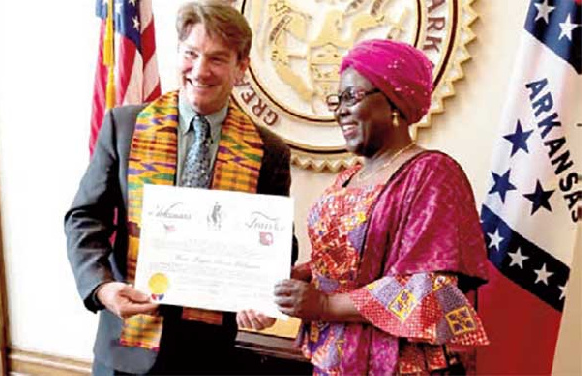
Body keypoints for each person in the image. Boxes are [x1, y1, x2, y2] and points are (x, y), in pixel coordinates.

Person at [65, 1, 292, 374]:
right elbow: (85, 217)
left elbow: (277, 239)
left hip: (207, 353)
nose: (200, 71)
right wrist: (102, 287)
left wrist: (263, 295)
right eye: (191, 54)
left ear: (241, 68)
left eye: (217, 59)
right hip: (126, 343)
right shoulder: (125, 127)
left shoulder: (268, 151)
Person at [274, 39, 490, 375]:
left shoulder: (431, 174)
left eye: (352, 96)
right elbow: (348, 261)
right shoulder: (346, 178)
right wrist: (300, 277)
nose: (340, 109)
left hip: (399, 365)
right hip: (333, 361)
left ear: (394, 102)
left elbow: (428, 287)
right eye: (338, 99)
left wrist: (326, 304)